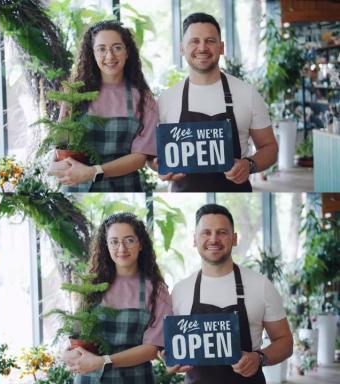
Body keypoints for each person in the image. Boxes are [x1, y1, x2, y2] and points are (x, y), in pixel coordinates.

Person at [168, 204, 293, 383]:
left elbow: (285, 342)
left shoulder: (261, 285)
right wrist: (170, 359)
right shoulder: (180, 291)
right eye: (206, 233)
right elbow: (165, 346)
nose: (214, 239)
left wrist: (259, 358)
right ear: (194, 239)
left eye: (222, 232)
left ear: (234, 239)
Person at [155, 13, 278, 192]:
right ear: (182, 48)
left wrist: (249, 164)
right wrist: (159, 167)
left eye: (210, 41)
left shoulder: (247, 94)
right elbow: (151, 156)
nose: (202, 47)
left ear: (221, 47)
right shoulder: (166, 99)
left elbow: (270, 148)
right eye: (194, 41)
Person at [49, 21, 159, 192]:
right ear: (92, 53)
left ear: (127, 51)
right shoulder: (74, 94)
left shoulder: (143, 99)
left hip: (123, 188)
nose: (110, 56)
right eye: (101, 49)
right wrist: (55, 166)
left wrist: (93, 172)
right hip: (77, 189)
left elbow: (140, 157)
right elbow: (61, 144)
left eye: (117, 48)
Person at [63, 212, 172, 383]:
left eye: (129, 240)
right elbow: (77, 335)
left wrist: (103, 362)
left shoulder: (156, 289)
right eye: (114, 242)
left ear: (141, 244)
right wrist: (68, 354)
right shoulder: (91, 284)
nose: (121, 249)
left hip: (135, 379)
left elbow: (152, 349)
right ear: (106, 246)